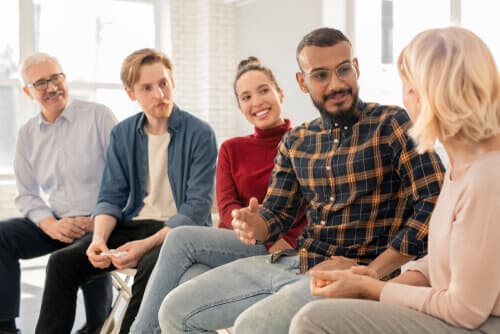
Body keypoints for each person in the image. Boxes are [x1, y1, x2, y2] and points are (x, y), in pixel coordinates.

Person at [159, 27, 446, 334]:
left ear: (356, 68)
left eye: (343, 69)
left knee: (252, 327)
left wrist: (372, 271)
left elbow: (434, 202)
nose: (336, 84)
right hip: (293, 262)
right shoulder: (297, 141)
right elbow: (276, 215)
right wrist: (253, 224)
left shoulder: (391, 124)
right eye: (321, 75)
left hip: (354, 273)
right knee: (174, 312)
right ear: (302, 82)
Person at [290, 26, 500, 334]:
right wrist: (370, 281)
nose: (406, 98)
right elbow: (450, 260)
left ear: (428, 94)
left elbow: (465, 310)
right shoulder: (462, 166)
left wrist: (372, 291)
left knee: (312, 321)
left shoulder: (487, 176)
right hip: (458, 314)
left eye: (408, 87)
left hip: (479, 325)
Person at [34, 48, 218, 334]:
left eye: (163, 83)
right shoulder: (122, 134)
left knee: (150, 266)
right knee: (62, 263)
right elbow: (110, 197)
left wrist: (145, 246)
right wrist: (98, 239)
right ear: (131, 93)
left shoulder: (200, 134)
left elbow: (195, 209)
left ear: (173, 82)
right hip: (134, 226)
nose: (159, 94)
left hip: (180, 234)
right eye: (147, 87)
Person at [130, 57, 308, 333]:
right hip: (234, 241)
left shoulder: (303, 142)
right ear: (240, 107)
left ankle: (140, 331)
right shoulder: (231, 148)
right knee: (189, 280)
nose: (257, 101)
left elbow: (306, 208)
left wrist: (272, 236)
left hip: (282, 248)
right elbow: (226, 207)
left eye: (263, 90)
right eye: (246, 97)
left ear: (280, 93)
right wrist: (248, 224)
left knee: (181, 238)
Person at [0, 53, 116, 334]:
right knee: (2, 235)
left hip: (100, 223)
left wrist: (100, 218)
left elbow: (123, 178)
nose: (51, 87)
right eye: (41, 83)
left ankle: (96, 325)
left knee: (90, 257)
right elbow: (27, 194)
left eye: (55, 78)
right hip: (58, 225)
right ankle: (4, 327)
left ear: (65, 78)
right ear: (28, 92)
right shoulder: (27, 135)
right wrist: (50, 224)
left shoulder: (99, 116)